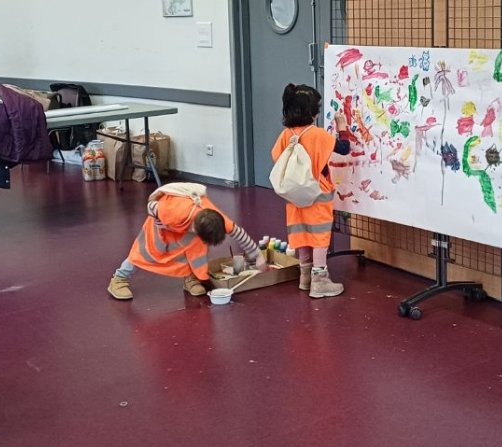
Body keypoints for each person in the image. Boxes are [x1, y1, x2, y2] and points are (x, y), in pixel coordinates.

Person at [108, 182, 266, 300]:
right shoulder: (172, 212)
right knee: (147, 250)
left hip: (185, 223)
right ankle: (119, 278)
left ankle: (190, 278)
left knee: (196, 248)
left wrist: (258, 256)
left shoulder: (215, 218)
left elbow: (239, 233)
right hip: (164, 223)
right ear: (196, 229)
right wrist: (158, 220)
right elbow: (151, 205)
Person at [271, 84, 350, 299]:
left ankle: (304, 277)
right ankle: (320, 281)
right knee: (319, 237)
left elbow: (276, 157)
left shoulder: (286, 134)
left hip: (294, 198)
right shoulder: (317, 134)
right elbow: (344, 148)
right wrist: (342, 126)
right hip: (317, 195)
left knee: (302, 235)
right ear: (313, 113)